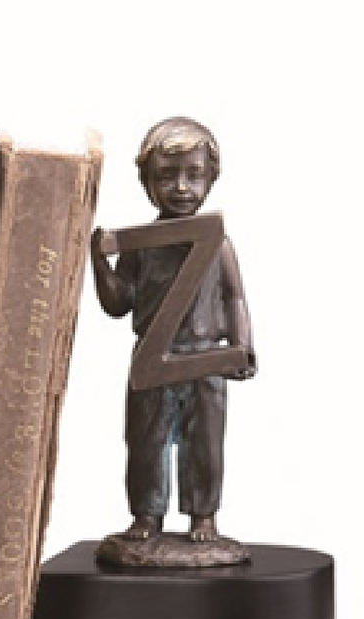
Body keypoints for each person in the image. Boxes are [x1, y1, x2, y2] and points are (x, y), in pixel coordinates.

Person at [90, 117, 255, 544]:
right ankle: (146, 515)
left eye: (194, 175)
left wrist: (242, 345)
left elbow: (234, 297)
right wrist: (99, 263)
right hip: (152, 362)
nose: (181, 187)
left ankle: (204, 516)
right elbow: (117, 304)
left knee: (206, 445)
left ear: (211, 178)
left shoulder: (217, 244)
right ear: (146, 182)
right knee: (146, 442)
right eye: (166, 176)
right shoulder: (141, 245)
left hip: (205, 360)